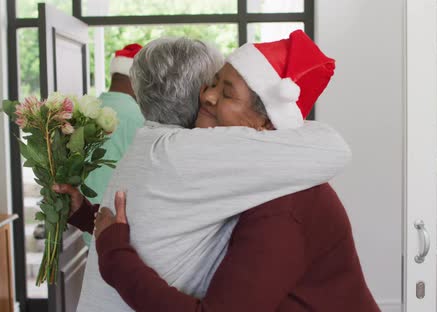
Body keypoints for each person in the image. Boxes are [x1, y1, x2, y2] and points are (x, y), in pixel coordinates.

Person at [60, 32, 357, 311]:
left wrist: (113, 255)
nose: (207, 96)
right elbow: (168, 221)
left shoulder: (283, 203)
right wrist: (92, 218)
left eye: (227, 94)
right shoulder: (224, 167)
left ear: (265, 123)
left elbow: (335, 148)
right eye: (212, 83)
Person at [78, 43, 145, 246]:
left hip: (87, 223)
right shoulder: (138, 117)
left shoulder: (85, 111)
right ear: (137, 79)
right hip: (120, 229)